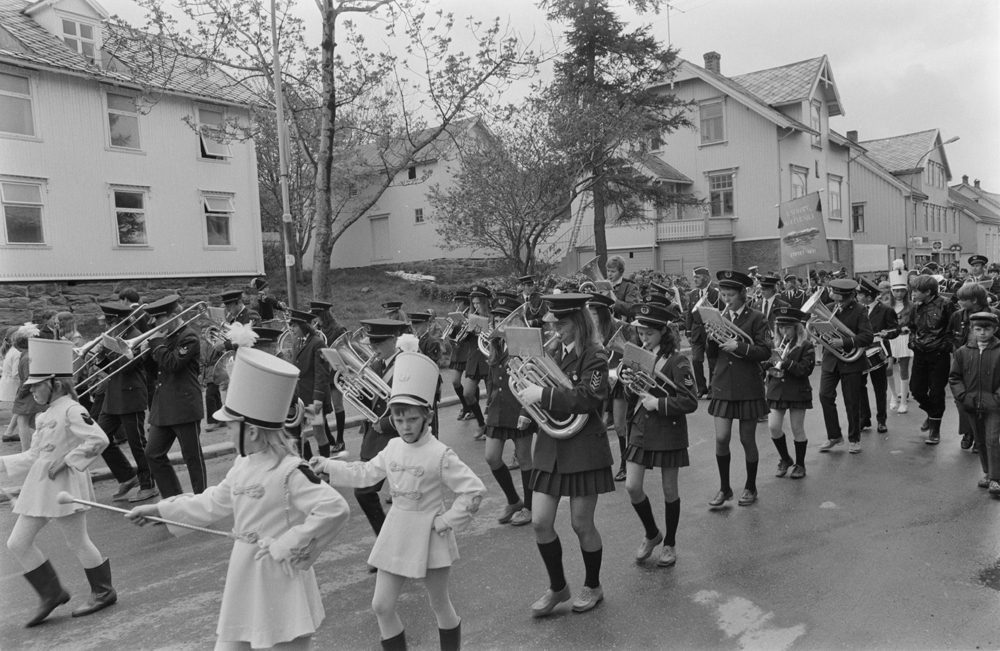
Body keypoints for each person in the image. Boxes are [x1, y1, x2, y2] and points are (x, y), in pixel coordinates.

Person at [128, 348, 350, 651]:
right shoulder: (243, 465)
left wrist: (286, 545)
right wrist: (160, 510)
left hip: (278, 575)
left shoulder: (290, 471)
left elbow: (334, 508)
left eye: (232, 427)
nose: (228, 433)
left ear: (255, 432)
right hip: (245, 573)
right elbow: (213, 502)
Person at [311, 351, 486, 651]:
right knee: (381, 605)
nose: (405, 426)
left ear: (428, 417)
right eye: (399, 419)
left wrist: (446, 521)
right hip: (396, 530)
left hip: (430, 534)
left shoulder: (440, 454)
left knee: (438, 603)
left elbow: (474, 490)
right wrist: (327, 466)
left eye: (412, 419)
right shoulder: (392, 447)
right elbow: (365, 473)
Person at [1, 338, 115, 627]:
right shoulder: (44, 415)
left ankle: (104, 591)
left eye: (37, 385)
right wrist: (2, 463)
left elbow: (99, 439)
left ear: (57, 384)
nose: (32, 390)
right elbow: (35, 455)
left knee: (77, 541)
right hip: (40, 488)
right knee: (17, 543)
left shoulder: (72, 410)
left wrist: (68, 460)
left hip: (66, 486)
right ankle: (52, 593)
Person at [514, 293, 615, 616]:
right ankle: (558, 588)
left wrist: (542, 394)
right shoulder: (554, 350)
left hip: (584, 446)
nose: (555, 329)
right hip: (551, 444)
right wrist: (529, 407)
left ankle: (593, 585)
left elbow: (588, 398)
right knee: (540, 522)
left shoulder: (595, 355)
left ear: (578, 323)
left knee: (581, 524)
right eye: (553, 323)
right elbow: (536, 381)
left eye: (561, 324)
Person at [622, 303, 698, 567]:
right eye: (640, 333)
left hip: (668, 429)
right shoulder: (637, 354)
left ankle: (670, 543)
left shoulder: (678, 360)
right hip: (641, 427)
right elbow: (631, 395)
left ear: (663, 332)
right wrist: (626, 383)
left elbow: (690, 401)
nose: (643, 338)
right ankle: (652, 533)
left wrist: (660, 404)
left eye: (648, 334)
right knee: (632, 486)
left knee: (669, 490)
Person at [705, 270, 770, 506]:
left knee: (746, 440)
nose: (726, 299)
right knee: (721, 438)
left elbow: (764, 351)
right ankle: (725, 489)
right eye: (723, 294)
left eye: (730, 294)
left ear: (742, 294)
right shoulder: (718, 317)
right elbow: (712, 356)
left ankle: (750, 487)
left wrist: (740, 346)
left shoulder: (757, 318)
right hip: (723, 384)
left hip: (747, 385)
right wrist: (710, 339)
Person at [93, 302, 158, 503]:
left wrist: (107, 349)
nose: (107, 327)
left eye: (111, 322)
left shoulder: (135, 337)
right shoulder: (115, 337)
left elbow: (126, 367)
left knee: (137, 443)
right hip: (113, 396)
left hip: (131, 395)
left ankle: (148, 485)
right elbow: (110, 369)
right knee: (98, 438)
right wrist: (100, 355)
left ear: (121, 321)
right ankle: (127, 476)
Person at [144, 295, 208, 497]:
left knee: (192, 457)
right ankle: (173, 499)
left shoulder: (188, 337)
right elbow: (154, 373)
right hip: (163, 407)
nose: (155, 325)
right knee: (152, 453)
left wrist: (156, 344)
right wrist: (146, 353)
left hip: (184, 406)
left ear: (172, 316)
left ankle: (202, 499)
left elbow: (173, 364)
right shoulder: (164, 339)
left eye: (158, 320)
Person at [351, 318, 407, 539]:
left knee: (406, 496)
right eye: (371, 343)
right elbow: (371, 401)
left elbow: (418, 406)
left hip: (399, 438)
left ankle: (406, 544)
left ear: (393, 340)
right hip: (375, 439)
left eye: (379, 342)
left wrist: (385, 423)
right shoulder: (375, 364)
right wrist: (357, 391)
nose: (373, 348)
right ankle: (385, 538)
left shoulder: (408, 363)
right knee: (362, 491)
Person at [483, 295, 535, 527]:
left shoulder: (525, 343)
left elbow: (534, 379)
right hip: (497, 408)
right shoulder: (495, 344)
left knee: (524, 459)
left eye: (505, 318)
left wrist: (526, 411)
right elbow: (492, 380)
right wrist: (487, 407)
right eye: (496, 318)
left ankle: (530, 507)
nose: (499, 322)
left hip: (519, 407)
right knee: (491, 457)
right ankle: (513, 500)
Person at [816, 279, 874, 454]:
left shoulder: (860, 310)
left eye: (840, 298)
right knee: (825, 396)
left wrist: (844, 341)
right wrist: (820, 333)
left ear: (850, 296)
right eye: (836, 297)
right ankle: (834, 436)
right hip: (830, 360)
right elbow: (819, 328)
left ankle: (854, 438)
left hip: (851, 361)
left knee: (852, 402)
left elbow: (867, 337)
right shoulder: (828, 306)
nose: (837, 301)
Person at [948, 312, 1000, 495]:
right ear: (972, 330)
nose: (983, 333)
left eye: (987, 329)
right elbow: (955, 377)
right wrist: (963, 396)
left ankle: (996, 479)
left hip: (994, 405)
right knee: (980, 440)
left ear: (995, 329)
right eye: (978, 329)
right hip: (971, 403)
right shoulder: (962, 352)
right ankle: (987, 473)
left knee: (993, 439)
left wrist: (997, 398)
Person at [765, 308, 816, 479]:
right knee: (773, 427)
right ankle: (785, 458)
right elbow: (768, 365)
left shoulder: (806, 346)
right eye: (780, 327)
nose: (783, 331)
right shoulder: (776, 345)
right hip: (776, 389)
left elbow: (805, 370)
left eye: (787, 328)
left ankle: (800, 465)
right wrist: (767, 362)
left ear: (796, 328)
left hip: (797, 390)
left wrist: (785, 361)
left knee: (797, 428)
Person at [948, 283, 998, 451]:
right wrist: (957, 352)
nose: (959, 302)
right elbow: (949, 335)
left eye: (963, 299)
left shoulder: (995, 315)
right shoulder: (957, 315)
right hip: (964, 360)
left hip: (989, 361)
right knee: (962, 399)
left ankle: (980, 437)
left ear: (974, 300)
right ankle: (968, 431)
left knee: (985, 400)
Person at [907, 274, 956, 445]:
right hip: (920, 353)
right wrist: (913, 342)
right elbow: (911, 327)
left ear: (928, 291)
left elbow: (952, 329)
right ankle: (932, 413)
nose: (912, 294)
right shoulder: (915, 307)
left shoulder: (946, 304)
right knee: (916, 390)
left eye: (916, 291)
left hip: (938, 355)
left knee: (936, 392)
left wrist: (944, 346)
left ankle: (935, 429)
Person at [588, 293, 630, 482]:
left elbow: (634, 353)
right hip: (600, 380)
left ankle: (625, 463)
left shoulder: (621, 327)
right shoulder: (590, 332)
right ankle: (599, 464)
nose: (591, 318)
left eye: (594, 314)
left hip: (619, 381)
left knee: (620, 426)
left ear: (603, 314)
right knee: (598, 424)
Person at [286, 309, 333, 460]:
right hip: (302, 397)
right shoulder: (298, 342)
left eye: (294, 326)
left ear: (303, 325)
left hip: (313, 396)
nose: (291, 329)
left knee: (319, 431)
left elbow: (322, 372)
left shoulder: (317, 342)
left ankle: (324, 466)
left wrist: (318, 398)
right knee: (301, 432)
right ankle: (309, 462)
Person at [857, 279, 899, 434]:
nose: (857, 297)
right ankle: (864, 417)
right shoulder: (858, 309)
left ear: (869, 297)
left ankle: (881, 420)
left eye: (860, 294)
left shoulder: (886, 310)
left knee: (879, 388)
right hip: (860, 352)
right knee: (860, 386)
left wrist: (887, 333)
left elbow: (896, 329)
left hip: (878, 350)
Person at [311, 301, 348, 454]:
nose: (315, 321)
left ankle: (340, 439)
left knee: (338, 405)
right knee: (320, 410)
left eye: (317, 317)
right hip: (320, 374)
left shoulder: (338, 329)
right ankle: (328, 438)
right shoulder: (316, 331)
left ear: (323, 315)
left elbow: (344, 350)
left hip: (334, 372)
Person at [686, 267, 721, 399]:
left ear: (706, 278)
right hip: (696, 332)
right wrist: (688, 333)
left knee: (712, 362)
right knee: (696, 360)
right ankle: (701, 388)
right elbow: (689, 314)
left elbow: (720, 313)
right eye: (694, 277)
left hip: (711, 332)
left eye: (697, 277)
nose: (695, 279)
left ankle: (712, 388)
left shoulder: (715, 293)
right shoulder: (693, 294)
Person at [462, 286, 492, 440]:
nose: (475, 306)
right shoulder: (471, 316)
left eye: (478, 303)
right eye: (473, 303)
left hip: (488, 358)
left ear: (485, 302)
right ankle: (481, 424)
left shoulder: (493, 316)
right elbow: (463, 341)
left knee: (491, 397)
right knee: (467, 393)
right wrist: (466, 330)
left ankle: (492, 428)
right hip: (474, 358)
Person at [12, 324, 45, 451]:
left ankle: (25, 450)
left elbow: (27, 378)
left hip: (27, 393)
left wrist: (21, 393)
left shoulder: (26, 357)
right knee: (30, 422)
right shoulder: (28, 355)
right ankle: (49, 436)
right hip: (31, 392)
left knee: (22, 421)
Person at [886, 261, 914, 413]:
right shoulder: (885, 306)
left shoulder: (912, 306)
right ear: (891, 291)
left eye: (902, 291)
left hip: (905, 340)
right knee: (888, 368)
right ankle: (893, 395)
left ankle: (903, 401)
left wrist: (909, 328)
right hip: (890, 339)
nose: (899, 294)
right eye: (896, 291)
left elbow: (916, 323)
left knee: (904, 369)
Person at [445, 291, 474, 421]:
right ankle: (465, 405)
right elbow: (452, 336)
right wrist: (451, 327)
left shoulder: (471, 313)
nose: (457, 304)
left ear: (464, 301)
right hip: (457, 351)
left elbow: (471, 334)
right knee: (455, 381)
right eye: (456, 302)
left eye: (459, 302)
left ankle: (473, 408)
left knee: (471, 382)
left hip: (468, 350)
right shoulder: (457, 314)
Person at [1, 325, 23, 442]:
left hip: (9, 383)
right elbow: (16, 373)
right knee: (21, 409)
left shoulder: (11, 350)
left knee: (19, 409)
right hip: (14, 384)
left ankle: (9, 432)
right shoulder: (17, 353)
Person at [607, 255, 641, 322]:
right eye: (608, 271)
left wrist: (615, 301)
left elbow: (633, 310)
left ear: (621, 271)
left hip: (622, 326)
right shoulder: (604, 284)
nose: (609, 274)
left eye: (613, 271)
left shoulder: (630, 286)